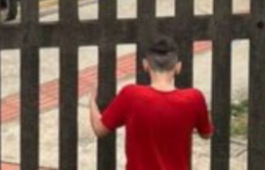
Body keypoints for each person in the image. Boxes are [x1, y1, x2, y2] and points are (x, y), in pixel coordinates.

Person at [90, 36, 213, 169]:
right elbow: (206, 133)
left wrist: (92, 102)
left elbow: (99, 129)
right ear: (178, 67)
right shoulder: (194, 98)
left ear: (145, 64)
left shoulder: (130, 95)